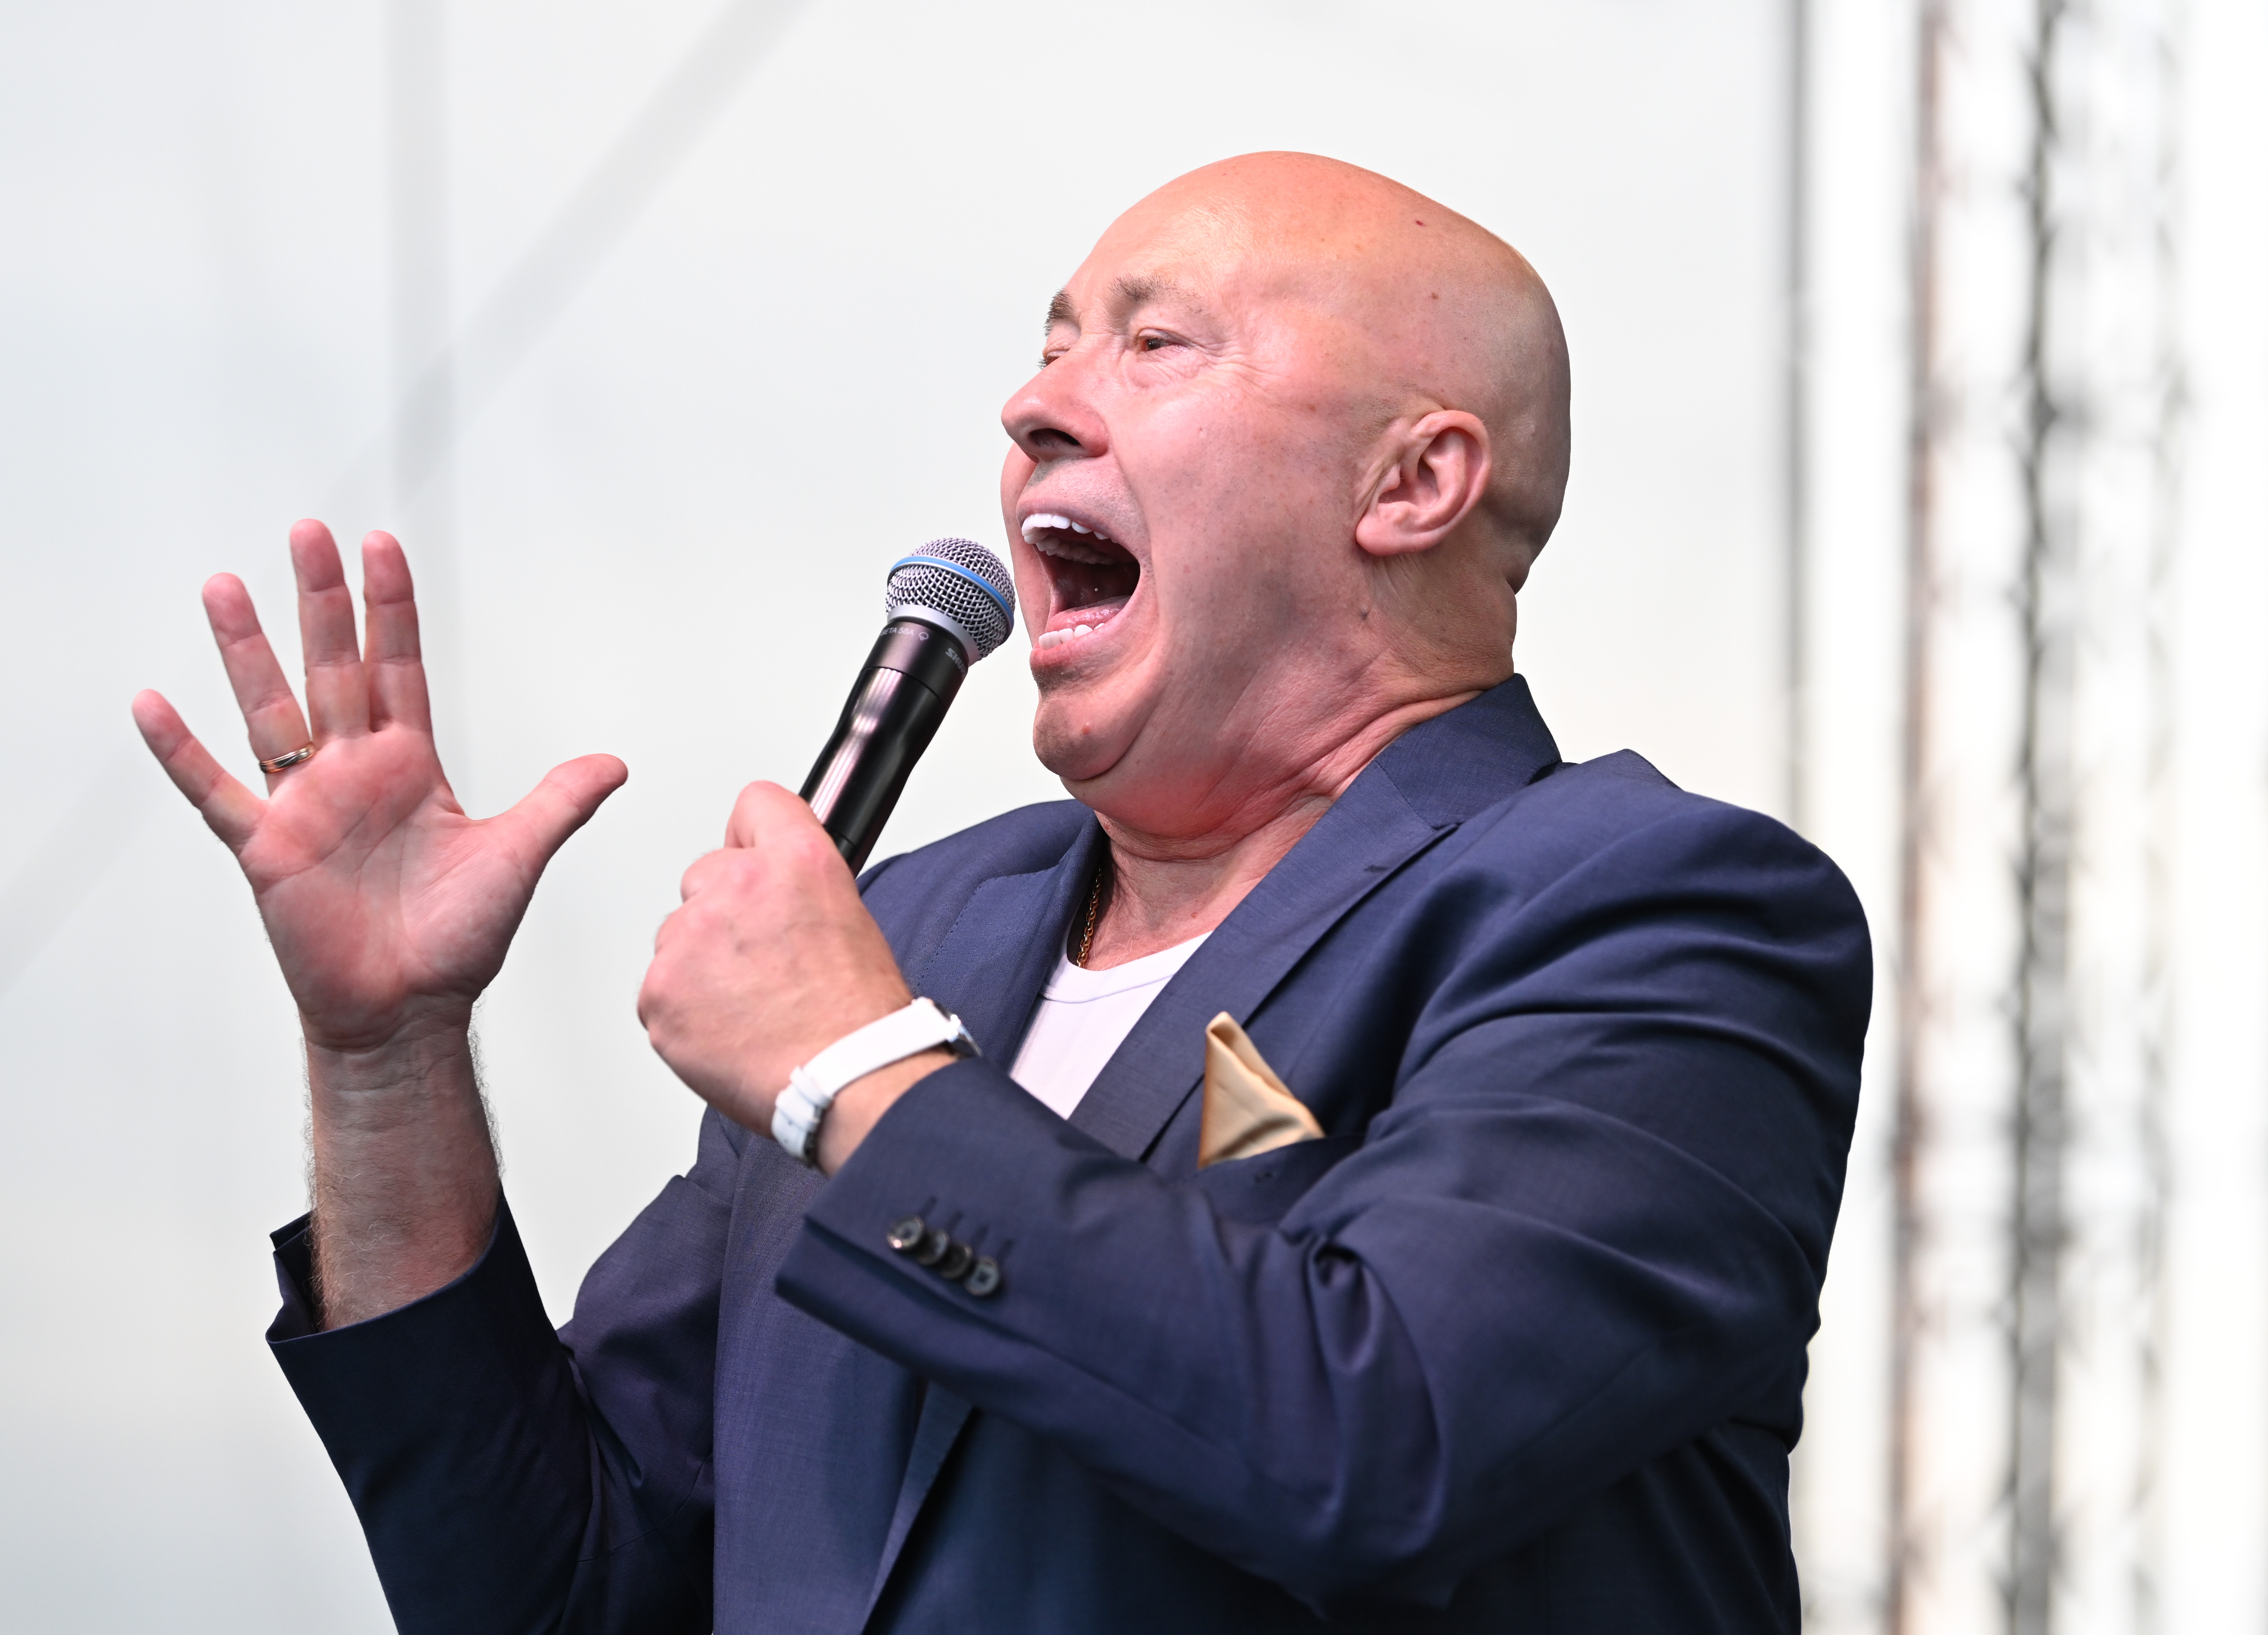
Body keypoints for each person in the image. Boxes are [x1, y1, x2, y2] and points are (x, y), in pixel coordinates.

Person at [132, 152, 1870, 1633]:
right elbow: (561, 1589)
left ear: (1412, 482)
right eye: (1050, 348)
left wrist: (853, 1072)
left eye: (1153, 343)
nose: (1034, 409)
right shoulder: (913, 932)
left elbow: (1382, 1445)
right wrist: (386, 1058)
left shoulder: (1659, 913)